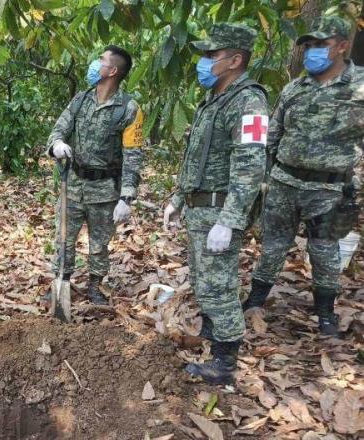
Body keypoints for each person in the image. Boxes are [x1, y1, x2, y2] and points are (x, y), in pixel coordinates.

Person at [244, 16, 364, 337]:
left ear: (342, 46)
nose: (312, 52)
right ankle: (255, 300)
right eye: (308, 46)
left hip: (329, 188)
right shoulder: (294, 88)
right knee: (272, 247)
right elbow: (273, 135)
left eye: (320, 46)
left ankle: (325, 315)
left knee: (324, 252)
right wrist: (262, 177)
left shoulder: (359, 86)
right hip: (284, 183)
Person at [163, 23, 268, 385]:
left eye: (211, 55)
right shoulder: (213, 101)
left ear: (235, 59)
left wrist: (230, 219)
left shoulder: (249, 101)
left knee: (218, 286)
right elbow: (196, 159)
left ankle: (224, 363)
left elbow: (251, 165)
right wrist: (178, 199)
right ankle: (212, 338)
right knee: (203, 280)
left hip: (220, 211)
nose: (203, 62)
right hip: (200, 208)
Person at [45, 45, 145, 305]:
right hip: (73, 183)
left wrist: (127, 197)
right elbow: (59, 128)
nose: (94, 63)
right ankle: (61, 284)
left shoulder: (129, 109)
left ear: (112, 71)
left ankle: (94, 285)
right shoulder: (80, 99)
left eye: (100, 59)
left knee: (99, 244)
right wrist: (56, 144)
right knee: (64, 237)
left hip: (104, 189)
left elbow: (133, 155)